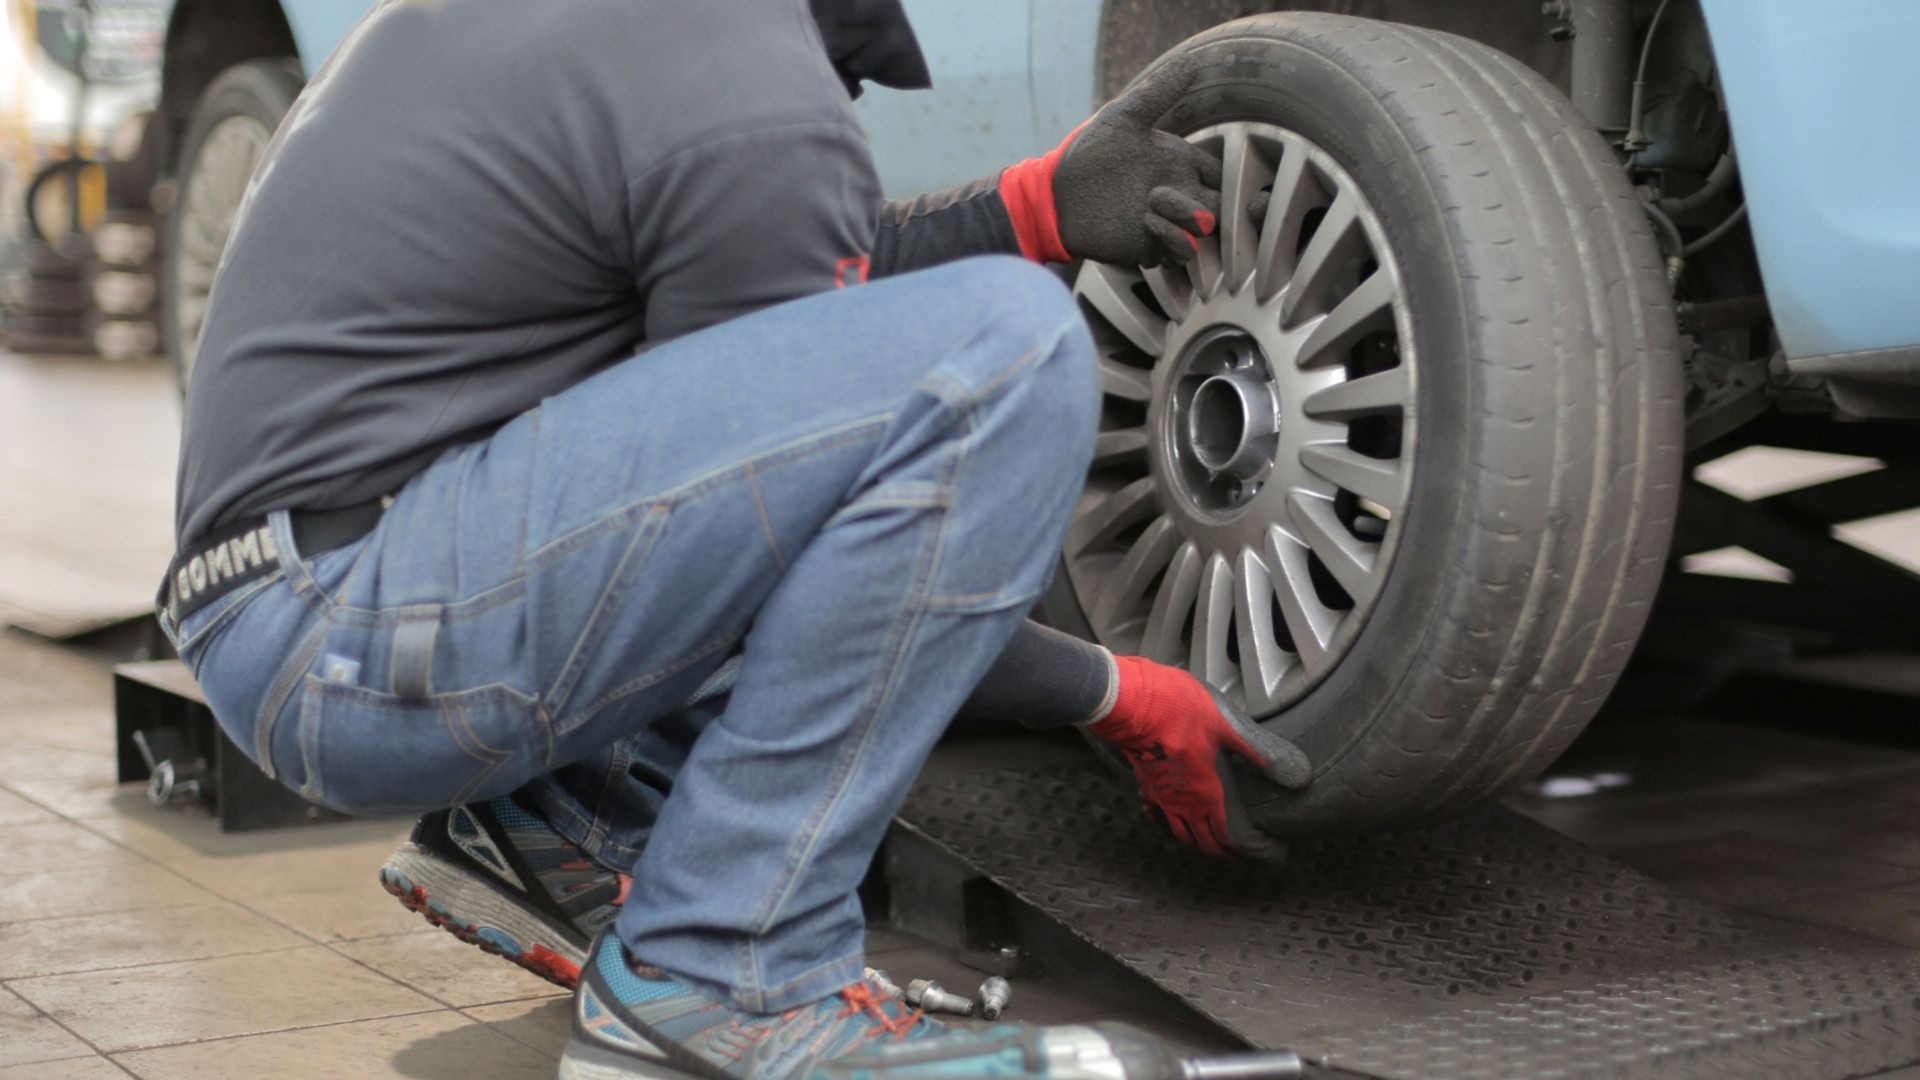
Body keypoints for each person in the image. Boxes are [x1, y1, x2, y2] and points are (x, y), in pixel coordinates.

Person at [157, 1, 1310, 1075]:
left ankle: (565, 818)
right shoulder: (749, 77)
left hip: (296, 608)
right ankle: (730, 967)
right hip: (368, 640)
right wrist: (1110, 691)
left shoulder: (624, 35)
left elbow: (754, 333)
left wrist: (1025, 208)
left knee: (814, 380)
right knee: (1007, 352)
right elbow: (803, 528)